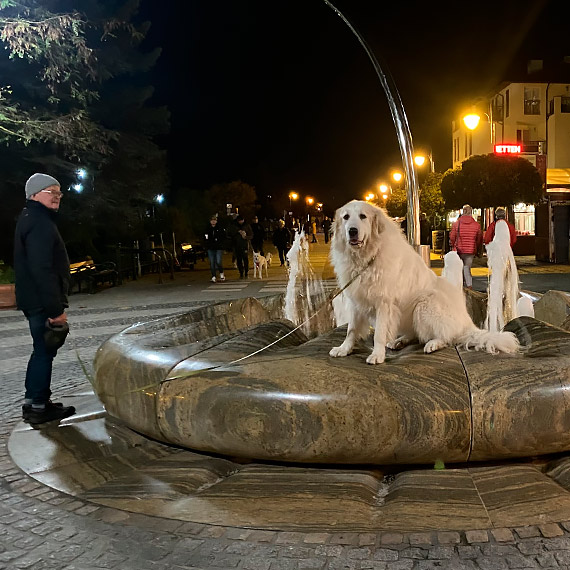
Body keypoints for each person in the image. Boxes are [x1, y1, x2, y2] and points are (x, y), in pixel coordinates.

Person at [14, 173, 76, 425]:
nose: (57, 196)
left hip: (33, 299)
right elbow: (41, 268)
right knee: (44, 352)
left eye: (59, 192)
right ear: (35, 194)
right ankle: (39, 406)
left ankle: (34, 401)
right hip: (41, 301)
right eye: (52, 191)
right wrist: (55, 309)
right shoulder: (39, 222)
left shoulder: (30, 217)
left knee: (40, 350)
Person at [449, 204, 483, 289]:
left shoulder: (456, 224)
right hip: (470, 251)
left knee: (459, 268)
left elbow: (452, 237)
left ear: (463, 212)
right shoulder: (476, 225)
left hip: (459, 250)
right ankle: (469, 285)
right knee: (467, 268)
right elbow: (479, 238)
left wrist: (453, 245)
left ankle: (459, 286)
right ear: (471, 212)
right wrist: (476, 246)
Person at [204, 215, 226, 282]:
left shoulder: (220, 228)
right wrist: (206, 245)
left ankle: (221, 273)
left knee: (218, 261)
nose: (213, 221)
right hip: (210, 248)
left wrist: (222, 245)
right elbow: (205, 237)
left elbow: (223, 237)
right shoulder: (207, 229)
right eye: (212, 220)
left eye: (214, 220)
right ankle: (213, 276)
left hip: (218, 247)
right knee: (212, 262)